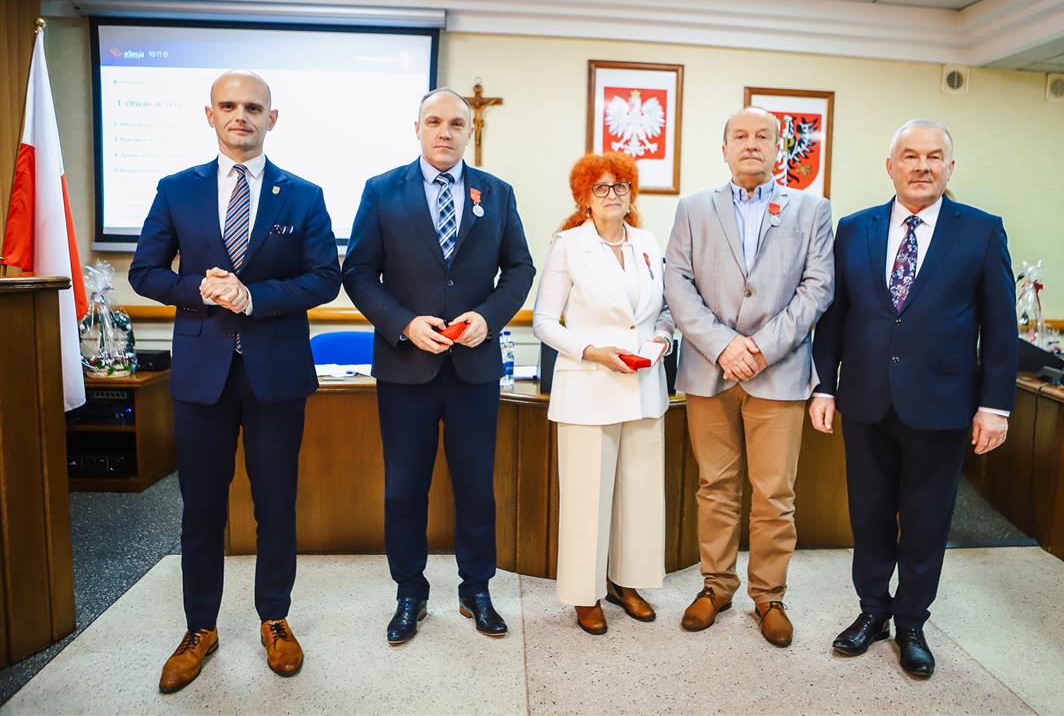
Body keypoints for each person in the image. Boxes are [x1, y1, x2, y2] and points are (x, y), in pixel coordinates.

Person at [129, 71, 341, 693]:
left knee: (276, 504)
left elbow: (324, 279)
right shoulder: (177, 189)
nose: (240, 115)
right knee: (202, 507)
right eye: (228, 105)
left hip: (276, 372)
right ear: (210, 115)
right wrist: (198, 288)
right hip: (203, 374)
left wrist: (254, 297)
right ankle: (200, 627)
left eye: (253, 106)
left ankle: (274, 618)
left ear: (272, 119)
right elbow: (144, 272)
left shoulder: (303, 195)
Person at [810, 118, 1017, 679]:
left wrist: (995, 406)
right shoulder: (855, 228)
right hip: (865, 400)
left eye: (933, 157)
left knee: (926, 520)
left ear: (950, 167)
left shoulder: (981, 231)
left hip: (942, 404)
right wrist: (824, 384)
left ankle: (911, 622)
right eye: (909, 156)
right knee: (869, 514)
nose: (921, 166)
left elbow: (1001, 327)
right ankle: (872, 611)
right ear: (890, 166)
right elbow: (835, 316)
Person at [342, 88, 534, 645]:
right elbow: (358, 273)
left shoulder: (496, 193)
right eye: (434, 122)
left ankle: (476, 589)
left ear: (469, 132)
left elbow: (520, 269)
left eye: (455, 123)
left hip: (474, 367)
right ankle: (410, 591)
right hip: (406, 366)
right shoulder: (382, 191)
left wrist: (488, 318)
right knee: (404, 490)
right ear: (418, 129)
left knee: (476, 487)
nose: (444, 131)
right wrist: (404, 324)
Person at [664, 107, 834, 647]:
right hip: (709, 371)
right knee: (714, 487)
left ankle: (769, 596)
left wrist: (759, 348)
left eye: (763, 135)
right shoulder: (693, 208)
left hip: (778, 372)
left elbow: (818, 288)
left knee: (775, 494)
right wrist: (723, 346)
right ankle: (716, 587)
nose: (752, 143)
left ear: (777, 148)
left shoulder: (812, 209)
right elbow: (677, 283)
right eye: (740, 135)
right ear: (725, 149)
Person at [532, 153, 674, 635]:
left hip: (644, 385)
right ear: (584, 198)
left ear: (632, 193)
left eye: (621, 186)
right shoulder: (569, 246)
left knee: (639, 493)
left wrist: (663, 339)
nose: (612, 195)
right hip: (589, 385)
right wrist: (592, 351)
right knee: (587, 498)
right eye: (601, 188)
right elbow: (544, 322)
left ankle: (626, 582)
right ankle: (584, 592)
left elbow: (662, 310)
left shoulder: (647, 242)